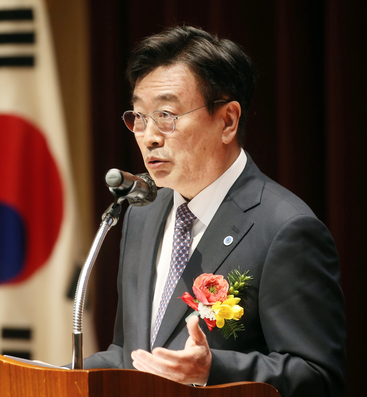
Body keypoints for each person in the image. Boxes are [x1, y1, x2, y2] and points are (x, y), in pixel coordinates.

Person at [82, 25, 346, 397]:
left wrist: (213, 370)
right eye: (139, 116)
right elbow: (130, 355)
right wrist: (44, 376)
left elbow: (319, 377)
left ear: (227, 121)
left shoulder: (285, 229)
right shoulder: (143, 212)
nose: (149, 135)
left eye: (167, 115)